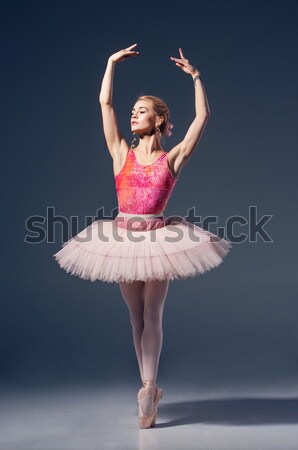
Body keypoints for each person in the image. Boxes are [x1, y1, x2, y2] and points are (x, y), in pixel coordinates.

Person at [53, 44, 232, 429]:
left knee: (152, 313)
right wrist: (109, 64)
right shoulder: (120, 153)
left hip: (158, 240)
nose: (134, 113)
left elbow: (203, 116)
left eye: (142, 110)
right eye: (133, 110)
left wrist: (196, 77)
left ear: (159, 120)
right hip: (120, 240)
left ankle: (149, 388)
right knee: (136, 316)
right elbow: (105, 105)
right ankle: (146, 387)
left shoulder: (173, 159)